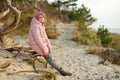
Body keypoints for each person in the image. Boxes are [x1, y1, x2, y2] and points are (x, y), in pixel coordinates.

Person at [29, 12, 72, 76]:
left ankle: (54, 65)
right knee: (47, 55)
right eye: (40, 17)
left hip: (41, 44)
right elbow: (37, 39)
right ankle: (61, 71)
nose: (41, 19)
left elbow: (46, 37)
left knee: (49, 55)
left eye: (42, 17)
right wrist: (44, 48)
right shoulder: (35, 25)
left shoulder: (41, 25)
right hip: (35, 44)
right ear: (37, 18)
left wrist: (49, 46)